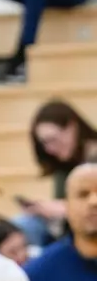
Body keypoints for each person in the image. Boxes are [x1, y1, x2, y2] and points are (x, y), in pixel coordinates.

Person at [17, 100, 97, 243]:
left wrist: (63, 209)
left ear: (72, 128)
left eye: (52, 139)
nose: (49, 148)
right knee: (20, 225)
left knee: (25, 226)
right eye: (44, 143)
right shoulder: (63, 165)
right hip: (68, 229)